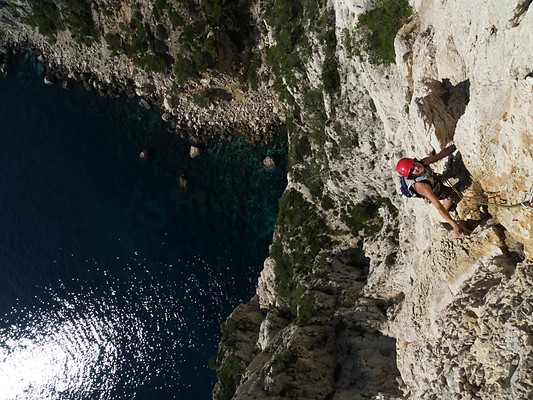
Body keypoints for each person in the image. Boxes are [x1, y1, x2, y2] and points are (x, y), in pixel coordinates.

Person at [396, 144, 462, 236]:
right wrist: (454, 225)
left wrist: (457, 144)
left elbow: (441, 155)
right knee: (451, 194)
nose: (416, 167)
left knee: (455, 188)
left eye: (414, 164)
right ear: (411, 176)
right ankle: (445, 217)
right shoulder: (422, 186)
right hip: (433, 190)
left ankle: (447, 207)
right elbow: (439, 207)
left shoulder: (423, 162)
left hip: (434, 181)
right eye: (413, 170)